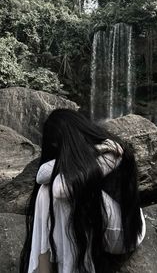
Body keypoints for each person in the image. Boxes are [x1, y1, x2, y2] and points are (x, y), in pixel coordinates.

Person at [20, 109, 146, 273]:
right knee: (45, 191)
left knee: (65, 195)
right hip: (101, 223)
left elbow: (61, 189)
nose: (55, 147)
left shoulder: (112, 152)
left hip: (121, 233)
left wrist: (92, 153)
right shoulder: (91, 150)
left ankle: (70, 268)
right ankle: (44, 267)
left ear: (70, 138)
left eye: (57, 143)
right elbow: (41, 176)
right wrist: (92, 151)